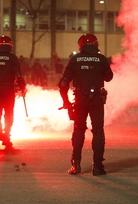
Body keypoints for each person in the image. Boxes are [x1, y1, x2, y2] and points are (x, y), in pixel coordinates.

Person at [58, 33, 113, 176]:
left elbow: (63, 83)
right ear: (96, 44)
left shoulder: (75, 59)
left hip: (80, 99)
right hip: (96, 100)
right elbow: (109, 77)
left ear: (80, 45)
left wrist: (67, 103)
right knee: (98, 131)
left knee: (78, 130)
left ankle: (76, 165)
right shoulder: (101, 59)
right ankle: (98, 167)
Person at [0, 35, 26, 148]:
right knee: (8, 114)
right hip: (8, 89)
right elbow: (18, 75)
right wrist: (22, 87)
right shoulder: (13, 58)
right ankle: (6, 138)